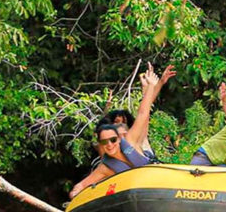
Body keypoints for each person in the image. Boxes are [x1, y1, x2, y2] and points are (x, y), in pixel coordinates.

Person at [69, 67, 163, 198]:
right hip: (133, 196)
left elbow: (143, 113)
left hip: (156, 185)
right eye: (104, 142)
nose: (109, 145)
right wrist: (75, 193)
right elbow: (82, 185)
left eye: (113, 140)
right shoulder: (105, 168)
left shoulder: (130, 140)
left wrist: (151, 86)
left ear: (119, 139)